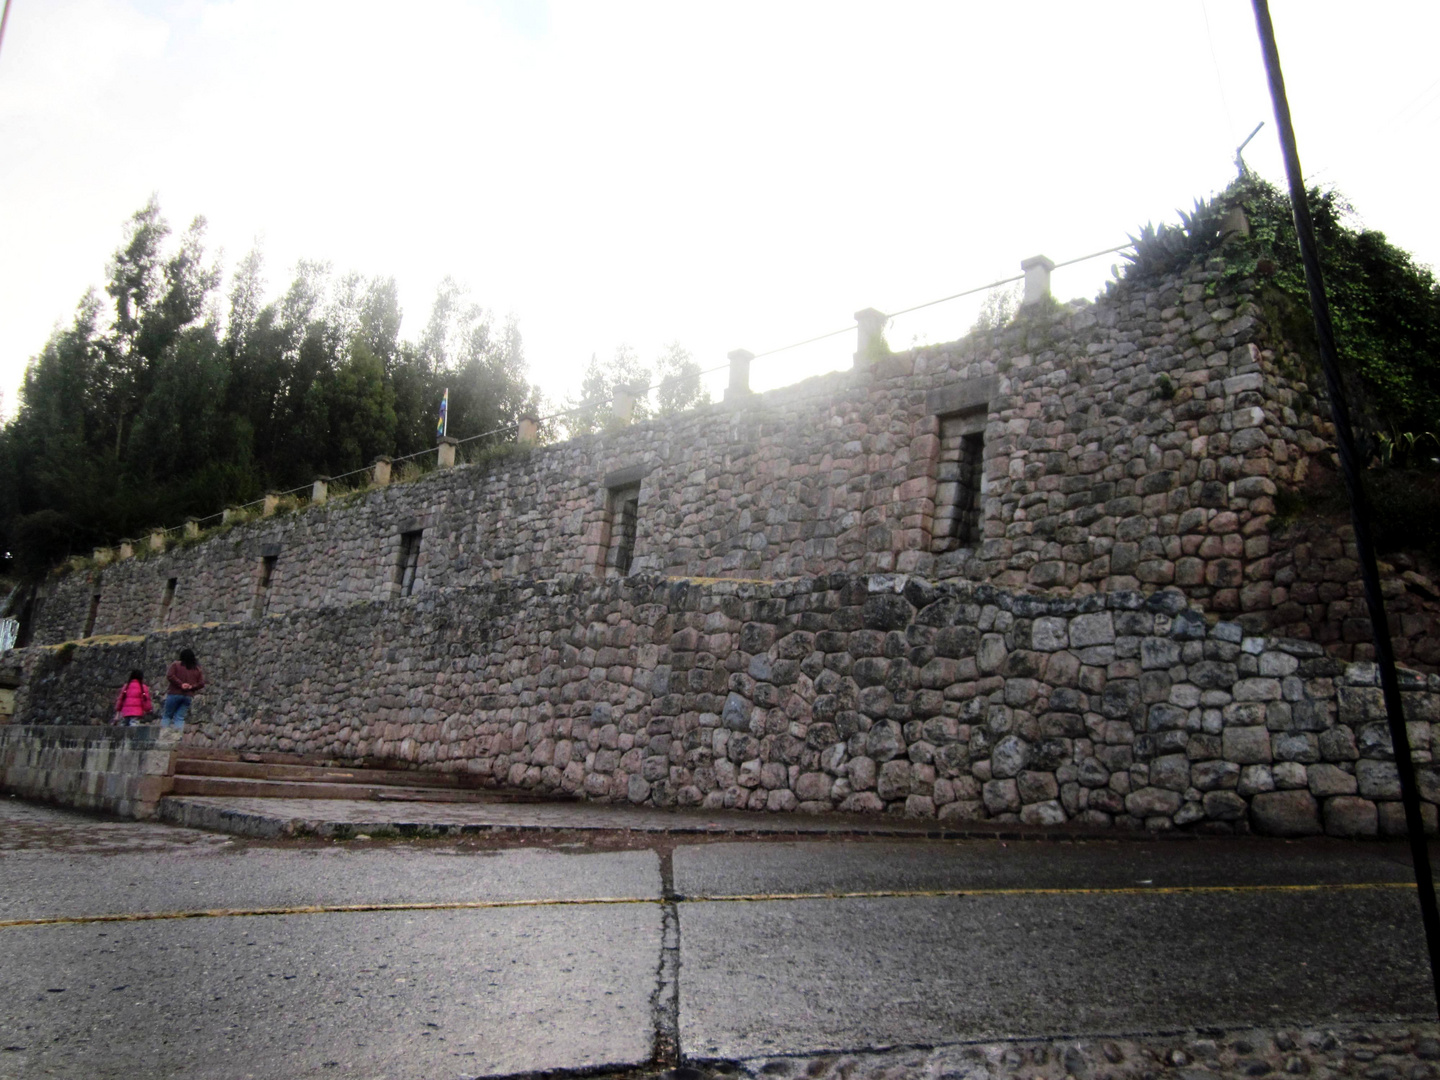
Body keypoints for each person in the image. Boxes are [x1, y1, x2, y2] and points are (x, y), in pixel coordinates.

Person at [161, 648, 205, 729]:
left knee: (167, 716)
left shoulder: (176, 665)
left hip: (174, 693)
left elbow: (170, 675)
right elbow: (201, 683)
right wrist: (192, 686)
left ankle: (163, 735)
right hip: (188, 695)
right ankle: (177, 737)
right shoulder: (197, 669)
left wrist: (181, 684)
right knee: (180, 718)